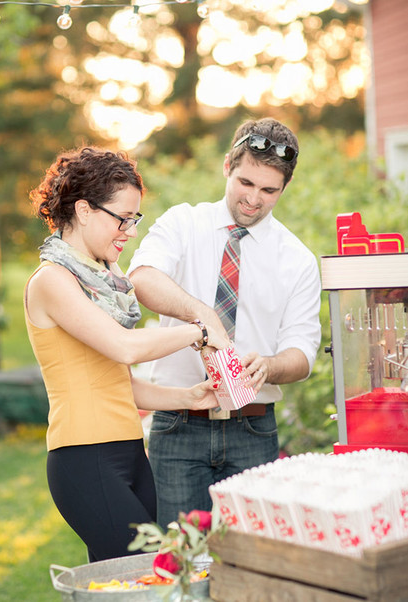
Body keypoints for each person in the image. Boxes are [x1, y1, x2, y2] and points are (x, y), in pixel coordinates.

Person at [23, 146, 229, 562]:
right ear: (84, 210)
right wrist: (201, 328)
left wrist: (188, 398)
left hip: (129, 452)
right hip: (84, 457)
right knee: (140, 575)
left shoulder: (101, 281)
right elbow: (124, 346)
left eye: (135, 219)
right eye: (123, 218)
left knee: (127, 580)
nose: (130, 231)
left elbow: (119, 383)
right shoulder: (52, 281)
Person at [127, 117, 322, 528]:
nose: (253, 199)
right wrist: (203, 315)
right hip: (178, 424)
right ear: (227, 167)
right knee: (180, 553)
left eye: (269, 190)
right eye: (245, 183)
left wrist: (270, 366)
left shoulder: (298, 260)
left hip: (253, 428)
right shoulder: (183, 223)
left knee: (252, 551)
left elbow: (303, 354)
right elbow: (142, 278)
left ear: (284, 188)